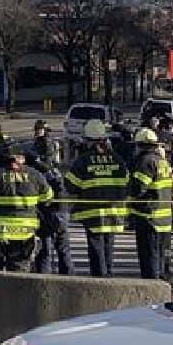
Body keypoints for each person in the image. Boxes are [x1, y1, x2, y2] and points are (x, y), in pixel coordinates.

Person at [64, 119, 130, 277]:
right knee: (108, 248)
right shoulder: (118, 160)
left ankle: (100, 279)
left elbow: (70, 185)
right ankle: (108, 277)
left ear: (89, 141)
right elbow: (127, 183)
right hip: (113, 213)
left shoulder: (84, 160)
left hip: (92, 214)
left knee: (96, 249)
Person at [0, 149, 51, 271]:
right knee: (19, 275)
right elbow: (47, 197)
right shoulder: (35, 175)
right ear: (22, 159)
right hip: (25, 232)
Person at [127, 128, 173, 280]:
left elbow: (137, 188)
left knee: (150, 260)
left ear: (142, 145)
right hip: (164, 220)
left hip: (149, 219)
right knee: (162, 260)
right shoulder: (162, 162)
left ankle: (153, 294)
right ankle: (162, 289)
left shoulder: (146, 162)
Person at [26, 146, 73, 275]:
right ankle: (68, 278)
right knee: (63, 249)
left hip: (49, 213)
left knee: (45, 251)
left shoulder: (35, 173)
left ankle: (44, 279)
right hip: (63, 211)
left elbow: (44, 195)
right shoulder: (53, 170)